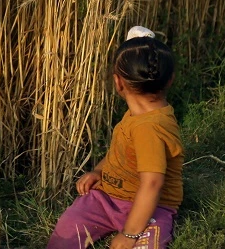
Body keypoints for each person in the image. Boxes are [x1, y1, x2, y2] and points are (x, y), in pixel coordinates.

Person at [47, 27, 184, 249]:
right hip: (106, 198)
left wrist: (129, 235)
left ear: (118, 82)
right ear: (170, 80)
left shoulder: (150, 128)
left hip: (153, 207)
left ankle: (136, 230)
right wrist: (99, 171)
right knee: (68, 230)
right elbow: (118, 153)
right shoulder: (138, 115)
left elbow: (152, 184)